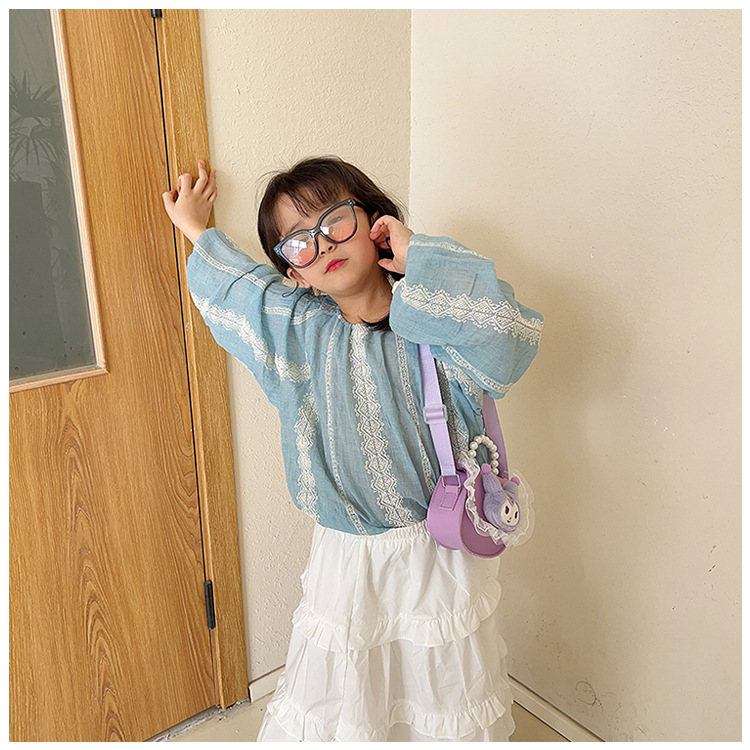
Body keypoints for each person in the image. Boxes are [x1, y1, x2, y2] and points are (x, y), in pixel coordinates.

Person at [161, 156, 544, 742]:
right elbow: (241, 293)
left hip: (436, 554)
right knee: (349, 698)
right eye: (298, 241)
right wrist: (196, 229)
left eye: (334, 219)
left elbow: (507, 336)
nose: (322, 244)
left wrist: (419, 258)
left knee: (438, 693)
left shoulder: (437, 324)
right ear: (294, 274)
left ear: (375, 223)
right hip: (343, 557)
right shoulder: (299, 333)